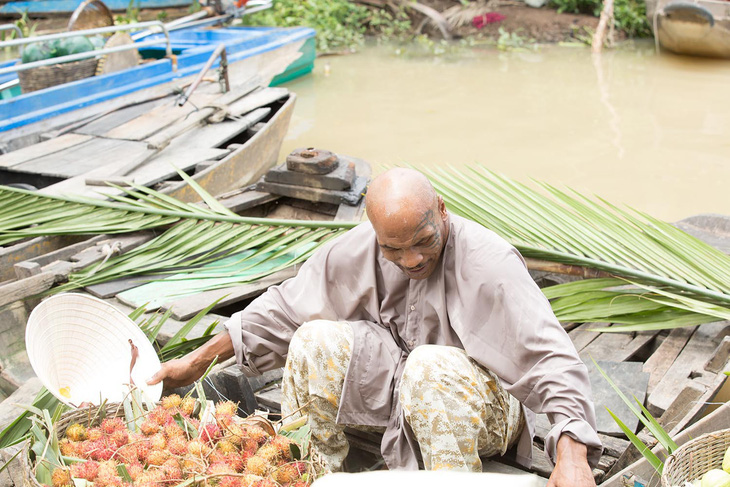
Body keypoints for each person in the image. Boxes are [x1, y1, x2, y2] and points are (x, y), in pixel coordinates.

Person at [148, 168, 602, 486]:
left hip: (480, 408)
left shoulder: (490, 262)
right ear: (376, 235)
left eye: (423, 242)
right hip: (398, 392)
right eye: (394, 250)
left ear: (442, 211)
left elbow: (551, 358)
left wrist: (573, 455)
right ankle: (318, 475)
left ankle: (450, 484)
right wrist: (193, 361)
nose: (412, 260)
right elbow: (284, 309)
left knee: (428, 366)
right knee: (312, 338)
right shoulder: (361, 246)